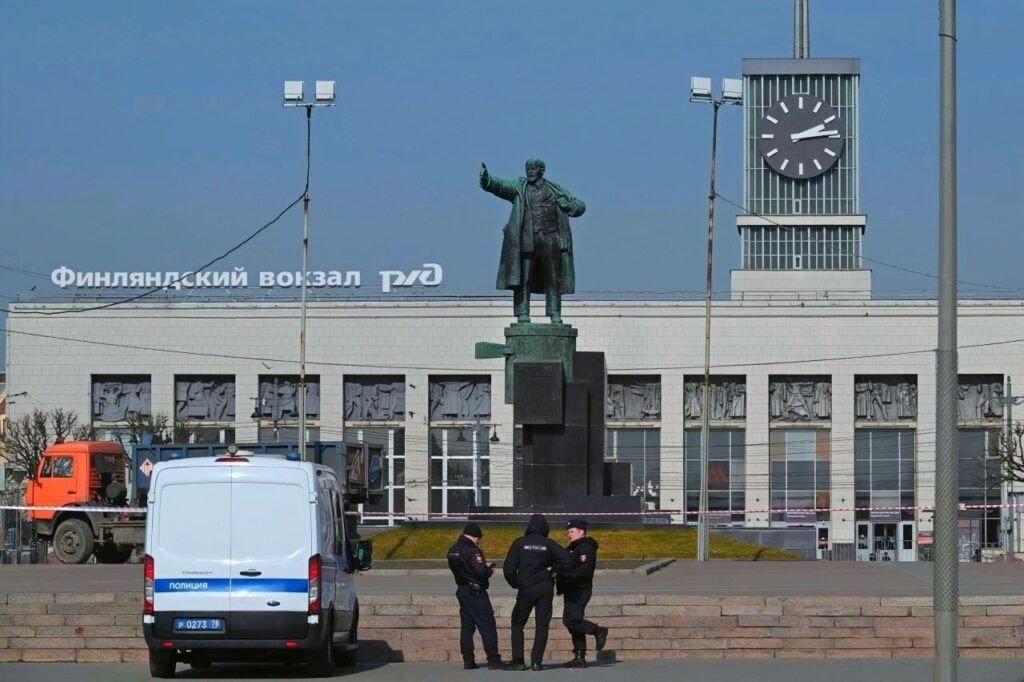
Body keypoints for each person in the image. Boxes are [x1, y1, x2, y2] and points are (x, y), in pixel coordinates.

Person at [479, 159, 586, 324]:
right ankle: (522, 313)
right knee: (524, 277)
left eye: (533, 168)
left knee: (553, 278)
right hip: (527, 239)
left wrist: (568, 206)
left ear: (541, 171)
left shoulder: (555, 190)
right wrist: (488, 180)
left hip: (551, 239)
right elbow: (500, 186)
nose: (529, 171)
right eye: (527, 168)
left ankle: (555, 313)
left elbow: (580, 206)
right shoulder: (519, 187)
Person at [502, 514, 572, 671]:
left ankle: (518, 661)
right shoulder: (549, 544)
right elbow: (567, 560)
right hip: (545, 587)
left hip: (526, 588)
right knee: (542, 625)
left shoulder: (520, 543)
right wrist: (552, 570)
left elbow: (508, 569)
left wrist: (516, 583)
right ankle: (536, 662)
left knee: (517, 623)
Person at [446, 523, 502, 670]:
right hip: (476, 592)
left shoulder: (453, 550)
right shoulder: (472, 550)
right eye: (479, 539)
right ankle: (493, 660)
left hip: (462, 590)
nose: (478, 542)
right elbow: (481, 572)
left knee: (467, 627)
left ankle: (468, 660)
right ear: (476, 536)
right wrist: (489, 569)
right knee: (487, 625)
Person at [556, 518, 609, 668]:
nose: (569, 534)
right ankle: (579, 657)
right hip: (570, 589)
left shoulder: (586, 548)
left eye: (572, 531)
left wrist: (567, 576)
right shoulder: (571, 548)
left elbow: (585, 570)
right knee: (574, 621)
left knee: (571, 620)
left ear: (581, 532)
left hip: (580, 589)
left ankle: (598, 631)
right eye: (568, 532)